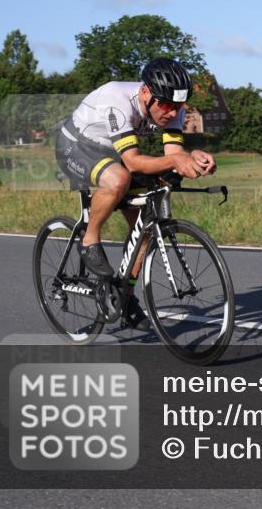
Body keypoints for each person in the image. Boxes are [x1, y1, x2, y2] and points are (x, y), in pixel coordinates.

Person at [55, 58, 216, 330]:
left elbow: (173, 156)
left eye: (178, 107)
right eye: (166, 106)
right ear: (145, 93)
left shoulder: (171, 106)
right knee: (119, 179)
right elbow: (132, 162)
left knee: (146, 229)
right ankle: (89, 240)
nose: (171, 112)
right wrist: (177, 161)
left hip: (113, 153)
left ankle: (126, 300)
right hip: (76, 147)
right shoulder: (116, 99)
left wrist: (192, 160)